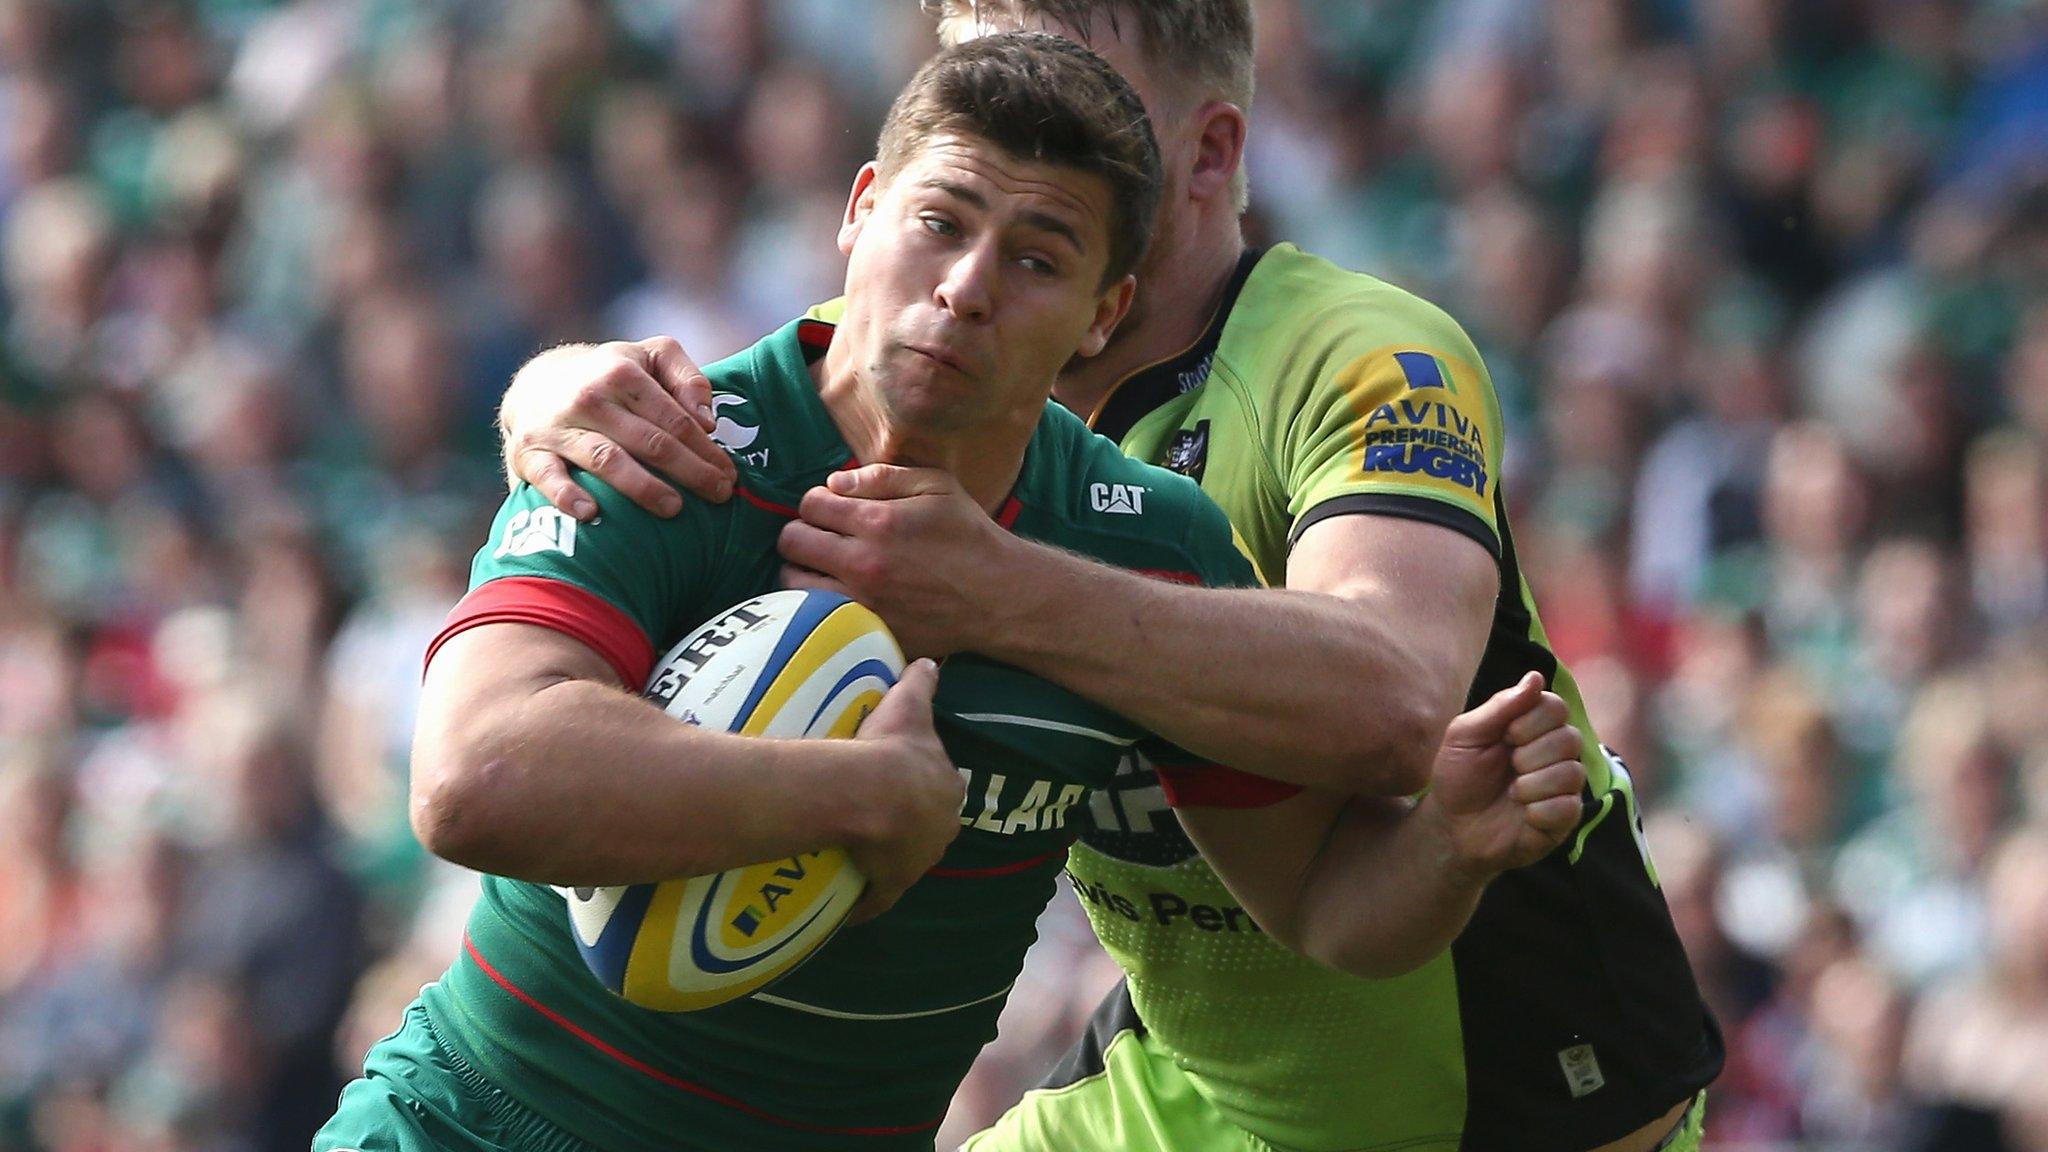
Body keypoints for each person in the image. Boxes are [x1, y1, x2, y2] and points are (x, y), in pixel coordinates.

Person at [318, 33, 1584, 1152]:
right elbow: (473, 777)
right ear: (859, 212)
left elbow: (1325, 909)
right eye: (940, 221)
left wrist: (1446, 851)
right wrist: (853, 796)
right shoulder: (670, 440)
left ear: (1104, 313)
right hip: (486, 1122)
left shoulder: (1143, 548)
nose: (968, 284)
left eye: (1038, 258)